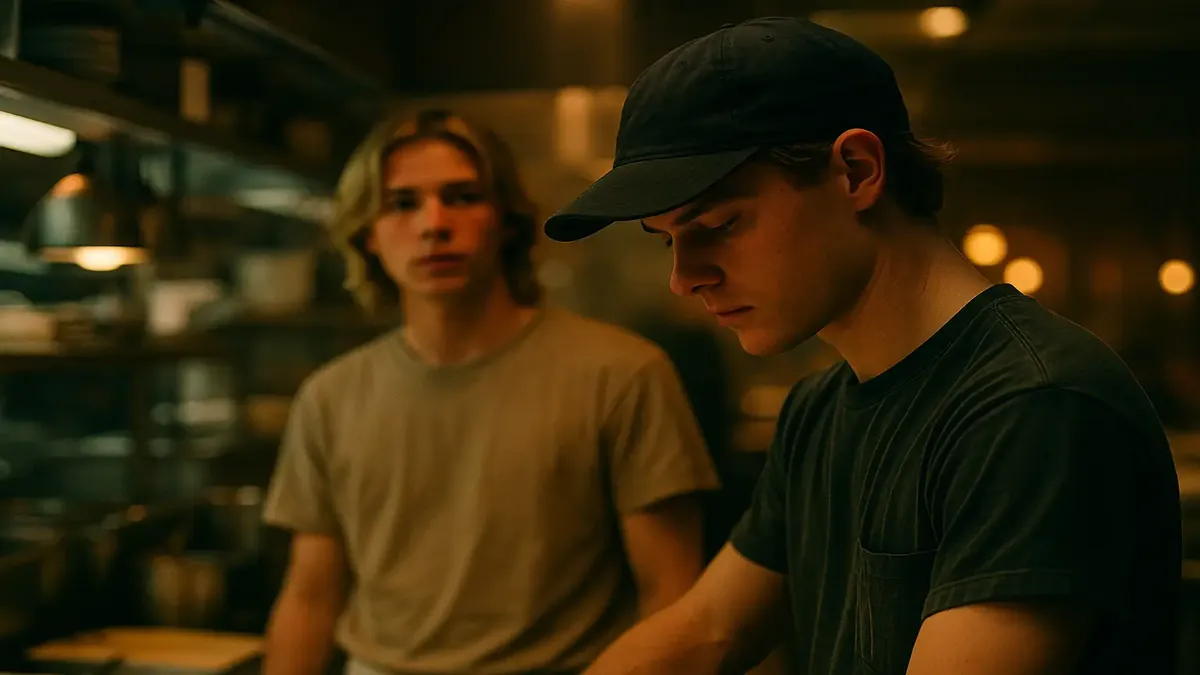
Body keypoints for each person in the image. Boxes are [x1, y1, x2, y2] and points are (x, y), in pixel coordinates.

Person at [543, 17, 1182, 675]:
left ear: (856, 169)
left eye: (720, 224)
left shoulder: (1032, 404)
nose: (685, 278)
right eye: (668, 239)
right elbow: (707, 631)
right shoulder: (818, 408)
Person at [262, 109, 721, 675]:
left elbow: (672, 598)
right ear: (368, 235)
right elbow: (310, 599)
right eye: (403, 203)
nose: (434, 223)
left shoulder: (623, 374)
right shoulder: (329, 398)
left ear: (505, 219)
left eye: (461, 196)